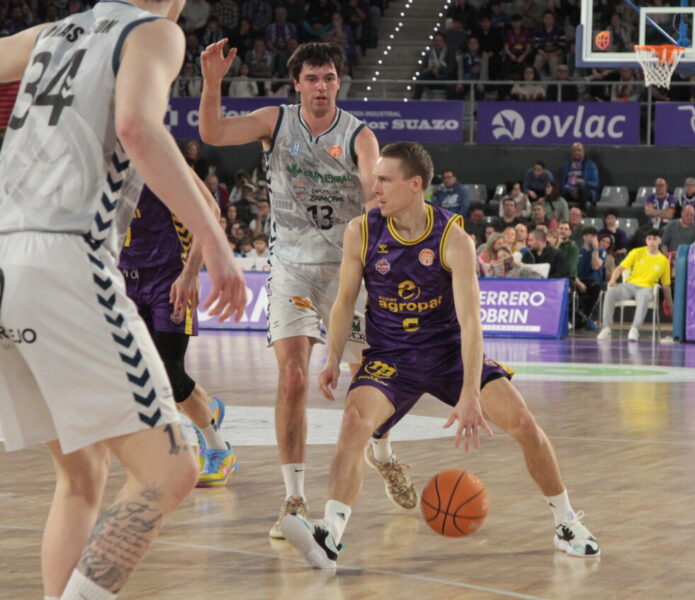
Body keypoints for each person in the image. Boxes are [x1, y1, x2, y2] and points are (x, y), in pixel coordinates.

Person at [0, 2, 247, 600]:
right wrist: (215, 243)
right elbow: (138, 127)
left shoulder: (49, 33)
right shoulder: (153, 31)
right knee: (170, 472)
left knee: (82, 477)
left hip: (6, 257)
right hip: (65, 258)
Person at [281, 142, 600, 568]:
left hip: (448, 352)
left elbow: (471, 322)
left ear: (415, 185)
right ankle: (330, 535)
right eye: (375, 178)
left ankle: (565, 522)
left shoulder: (454, 237)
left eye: (384, 179)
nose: (374, 187)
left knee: (524, 422)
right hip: (391, 356)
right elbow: (344, 302)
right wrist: (332, 358)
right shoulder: (362, 229)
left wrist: (470, 391)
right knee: (355, 421)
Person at [199, 40, 418, 539]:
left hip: (349, 270)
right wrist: (212, 82)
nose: (322, 87)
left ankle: (381, 450)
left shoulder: (360, 136)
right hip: (291, 266)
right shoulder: (275, 122)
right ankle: (294, 499)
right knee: (293, 377)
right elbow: (211, 131)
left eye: (330, 79)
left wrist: (383, 203)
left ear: (340, 83)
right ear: (297, 84)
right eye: (313, 79)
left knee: (372, 379)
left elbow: (370, 189)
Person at [120, 183, 238, 487]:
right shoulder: (95, 163)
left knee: (169, 373)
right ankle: (205, 407)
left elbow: (210, 211)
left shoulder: (154, 153)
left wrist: (190, 273)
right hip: (122, 277)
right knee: (138, 373)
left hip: (168, 277)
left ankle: (217, 448)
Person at [598, 229, 673, 341]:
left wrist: (671, 306)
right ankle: (606, 328)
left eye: (654, 239)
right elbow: (620, 268)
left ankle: (634, 329)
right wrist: (613, 280)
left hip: (647, 288)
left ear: (659, 241)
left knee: (643, 297)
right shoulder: (636, 252)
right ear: (646, 241)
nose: (652, 241)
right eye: (649, 239)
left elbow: (666, 286)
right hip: (630, 285)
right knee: (611, 291)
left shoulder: (664, 261)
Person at [573, 226, 605, 330]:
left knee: (595, 288)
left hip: (593, 282)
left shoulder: (600, 251)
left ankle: (585, 320)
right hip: (578, 280)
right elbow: (572, 270)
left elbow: (595, 266)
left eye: (594, 236)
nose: (591, 238)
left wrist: (595, 250)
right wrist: (579, 283)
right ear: (583, 237)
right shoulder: (577, 251)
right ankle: (581, 320)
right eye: (589, 235)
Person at [560, 142, 600, 211]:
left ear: (583, 151)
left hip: (586, 191)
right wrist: (571, 190)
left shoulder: (591, 166)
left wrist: (584, 182)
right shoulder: (565, 166)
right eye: (574, 150)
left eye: (579, 150)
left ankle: (583, 211)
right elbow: (562, 184)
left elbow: (596, 184)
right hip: (569, 192)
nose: (576, 152)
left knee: (582, 185)